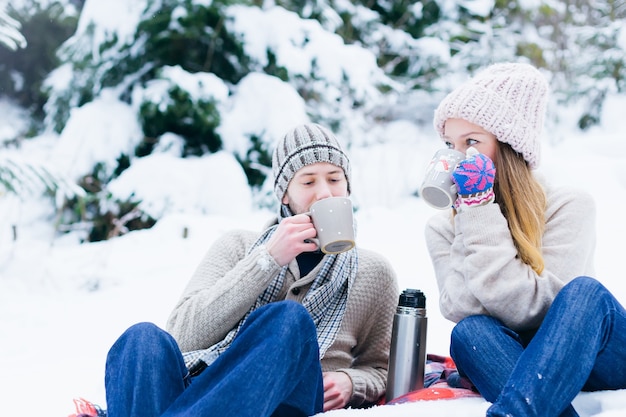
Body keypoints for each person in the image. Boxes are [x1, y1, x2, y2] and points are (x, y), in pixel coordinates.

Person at [103, 123, 399, 417]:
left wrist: (352, 382)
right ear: (285, 195)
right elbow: (183, 337)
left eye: (335, 179)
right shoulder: (238, 246)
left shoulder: (373, 272)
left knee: (288, 319)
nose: (325, 193)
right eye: (308, 182)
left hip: (290, 395)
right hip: (204, 381)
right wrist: (267, 260)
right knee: (140, 339)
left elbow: (385, 369)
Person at [424, 62, 626, 417]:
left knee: (584, 292)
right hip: (524, 366)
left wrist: (479, 212)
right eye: (449, 144)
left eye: (471, 142)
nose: (456, 158)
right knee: (469, 332)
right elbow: (461, 307)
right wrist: (474, 214)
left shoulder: (568, 205)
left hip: (592, 352)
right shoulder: (443, 227)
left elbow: (537, 311)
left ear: (509, 147)